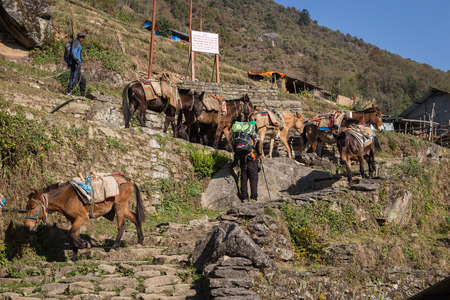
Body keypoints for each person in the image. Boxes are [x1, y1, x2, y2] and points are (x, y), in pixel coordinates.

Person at [231, 121, 261, 202]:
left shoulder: (238, 137)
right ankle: (254, 198)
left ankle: (244, 198)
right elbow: (259, 147)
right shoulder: (253, 136)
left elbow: (235, 151)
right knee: (253, 179)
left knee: (243, 179)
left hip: (242, 160)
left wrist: (234, 163)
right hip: (252, 160)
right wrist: (260, 155)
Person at [66, 32, 87, 97]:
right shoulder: (76, 43)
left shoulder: (78, 44)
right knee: (73, 78)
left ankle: (82, 95)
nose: (82, 39)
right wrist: (77, 61)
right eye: (81, 37)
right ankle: (69, 92)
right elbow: (73, 53)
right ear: (78, 37)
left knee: (82, 80)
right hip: (75, 63)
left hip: (78, 64)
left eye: (82, 38)